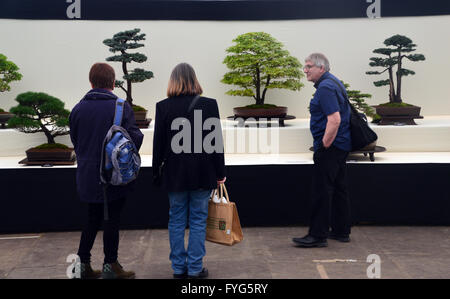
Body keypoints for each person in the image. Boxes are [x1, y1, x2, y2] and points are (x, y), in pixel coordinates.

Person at [69, 63, 144, 279]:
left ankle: (82, 265)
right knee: (112, 219)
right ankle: (110, 265)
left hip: (87, 175)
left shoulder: (78, 109)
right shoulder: (121, 107)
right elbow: (135, 138)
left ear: (91, 82)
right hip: (113, 176)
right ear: (113, 83)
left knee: (92, 218)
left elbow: (76, 141)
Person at [152, 63, 226, 279]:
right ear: (194, 79)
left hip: (174, 174)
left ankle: (178, 268)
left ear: (173, 81)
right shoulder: (210, 105)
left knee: (175, 219)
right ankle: (195, 268)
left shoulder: (163, 107)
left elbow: (158, 145)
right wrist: (220, 172)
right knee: (198, 220)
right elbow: (216, 143)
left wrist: (156, 173)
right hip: (203, 173)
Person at [293, 53, 352, 248]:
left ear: (322, 68)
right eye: (305, 66)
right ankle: (341, 231)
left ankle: (317, 235)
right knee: (339, 189)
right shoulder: (334, 82)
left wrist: (325, 144)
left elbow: (334, 119)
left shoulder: (326, 87)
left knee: (322, 191)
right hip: (341, 145)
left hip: (331, 147)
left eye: (309, 66)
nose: (305, 70)